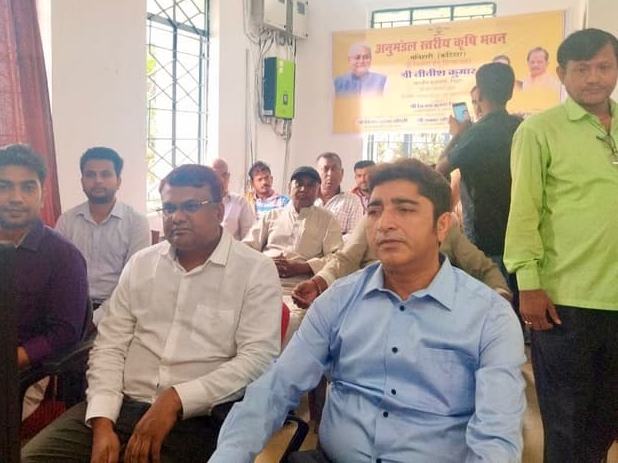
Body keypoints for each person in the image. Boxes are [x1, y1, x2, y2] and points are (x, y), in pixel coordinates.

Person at [210, 159, 526, 463]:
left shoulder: (489, 317)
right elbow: (275, 389)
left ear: (442, 225)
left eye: (405, 209)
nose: (384, 223)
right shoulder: (338, 300)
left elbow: (496, 438)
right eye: (374, 211)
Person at [21, 164, 281, 463]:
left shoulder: (254, 270)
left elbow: (257, 358)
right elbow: (110, 345)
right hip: (118, 406)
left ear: (219, 211)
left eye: (191, 206)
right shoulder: (141, 264)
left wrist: (176, 399)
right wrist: (103, 421)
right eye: (169, 208)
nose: (177, 217)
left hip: (197, 418)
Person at [504, 28, 618, 463]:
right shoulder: (539, 130)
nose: (594, 77)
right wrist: (528, 283)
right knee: (568, 425)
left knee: (606, 423)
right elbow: (524, 210)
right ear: (562, 74)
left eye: (604, 67)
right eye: (582, 69)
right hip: (565, 302)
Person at [0, 143, 88, 420]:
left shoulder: (64, 256)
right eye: (4, 186)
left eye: (28, 187)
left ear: (42, 196)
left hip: (25, 370)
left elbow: (64, 333)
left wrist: (9, 358)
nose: (16, 198)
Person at [291, 213, 511, 309]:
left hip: (431, 313)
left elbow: (483, 268)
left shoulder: (443, 227)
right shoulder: (372, 220)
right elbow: (346, 259)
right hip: (373, 306)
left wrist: (500, 299)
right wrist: (318, 283)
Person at [436, 62, 522, 288]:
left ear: (480, 94)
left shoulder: (476, 134)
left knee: (492, 296)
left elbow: (439, 169)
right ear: (510, 92)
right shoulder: (521, 127)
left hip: (486, 236)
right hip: (519, 233)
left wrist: (457, 135)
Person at [243, 166, 342, 343]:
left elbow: (337, 258)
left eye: (310, 185)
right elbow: (246, 248)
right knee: (242, 316)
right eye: (299, 184)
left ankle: (278, 361)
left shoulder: (327, 219)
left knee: (292, 321)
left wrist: (303, 267)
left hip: (299, 290)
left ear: (318, 191)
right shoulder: (272, 216)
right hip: (263, 284)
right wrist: (266, 262)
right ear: (289, 188)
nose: (304, 189)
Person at [56, 147, 150, 320]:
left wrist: (94, 318)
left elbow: (133, 282)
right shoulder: (67, 220)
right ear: (82, 181)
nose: (98, 181)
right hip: (72, 305)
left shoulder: (136, 223)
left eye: (106, 174)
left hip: (120, 308)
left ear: (118, 181)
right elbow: (57, 272)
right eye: (90, 175)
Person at [313, 152, 363, 238]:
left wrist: (326, 243)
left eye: (334, 169)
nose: (330, 173)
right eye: (325, 169)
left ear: (342, 173)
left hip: (338, 247)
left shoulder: (352, 201)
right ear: (316, 174)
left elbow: (354, 235)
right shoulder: (307, 199)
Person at [211, 157, 255, 240]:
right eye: (215, 175)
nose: (221, 180)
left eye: (224, 175)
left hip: (232, 248)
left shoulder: (241, 203)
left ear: (228, 177)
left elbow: (248, 239)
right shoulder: (200, 204)